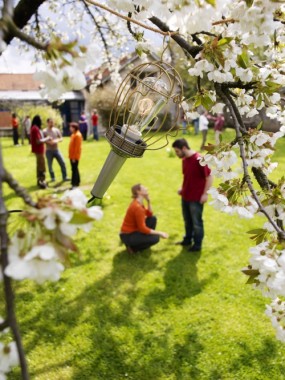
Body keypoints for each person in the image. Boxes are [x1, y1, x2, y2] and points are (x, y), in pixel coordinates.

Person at [172, 138, 213, 252]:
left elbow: (209, 177)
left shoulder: (200, 159)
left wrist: (205, 194)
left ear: (184, 148)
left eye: (177, 151)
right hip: (185, 196)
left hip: (196, 198)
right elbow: (188, 176)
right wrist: (183, 188)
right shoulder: (184, 159)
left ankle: (197, 245)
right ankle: (187, 240)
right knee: (187, 220)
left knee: (196, 223)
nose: (177, 154)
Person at [120, 184, 168, 254]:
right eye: (144, 188)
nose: (146, 188)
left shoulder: (138, 203)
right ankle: (133, 248)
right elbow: (142, 228)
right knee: (156, 238)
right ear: (138, 191)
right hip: (127, 235)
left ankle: (141, 241)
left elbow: (149, 214)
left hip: (132, 232)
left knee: (152, 219)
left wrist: (148, 201)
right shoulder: (137, 207)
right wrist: (160, 233)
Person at [43, 118, 69, 182]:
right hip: (48, 151)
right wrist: (49, 142)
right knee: (50, 165)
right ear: (47, 123)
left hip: (56, 150)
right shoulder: (44, 131)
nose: (52, 124)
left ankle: (65, 177)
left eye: (52, 122)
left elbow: (61, 138)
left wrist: (56, 141)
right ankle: (53, 178)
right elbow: (43, 140)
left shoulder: (56, 130)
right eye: (50, 122)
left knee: (62, 162)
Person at [30, 115, 50, 189]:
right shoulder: (35, 129)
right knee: (42, 166)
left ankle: (39, 181)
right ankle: (42, 181)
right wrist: (47, 138)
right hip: (39, 150)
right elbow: (38, 141)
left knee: (39, 166)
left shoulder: (34, 128)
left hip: (38, 150)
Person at [69, 122, 82, 189]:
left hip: (75, 156)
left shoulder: (77, 135)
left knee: (74, 169)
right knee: (75, 169)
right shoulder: (73, 135)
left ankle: (74, 183)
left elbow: (77, 147)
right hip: (72, 156)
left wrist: (74, 157)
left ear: (74, 128)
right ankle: (77, 181)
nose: (70, 128)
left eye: (71, 127)